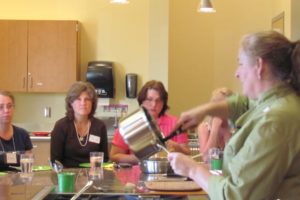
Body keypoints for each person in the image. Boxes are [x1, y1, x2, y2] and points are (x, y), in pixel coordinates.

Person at [167, 31, 300, 199]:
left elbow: (235, 195)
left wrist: (192, 169)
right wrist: (204, 111)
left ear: (259, 66)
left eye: (241, 63)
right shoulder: (276, 102)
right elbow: (241, 105)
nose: (237, 73)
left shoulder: (275, 120)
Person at [110, 80, 190, 164]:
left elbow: (187, 154)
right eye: (149, 99)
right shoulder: (129, 124)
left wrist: (176, 147)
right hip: (136, 175)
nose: (154, 104)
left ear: (164, 103)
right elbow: (114, 156)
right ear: (142, 101)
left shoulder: (176, 123)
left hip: (168, 173)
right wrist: (141, 159)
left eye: (158, 100)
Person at [51, 81, 108, 168]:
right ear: (71, 102)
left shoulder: (100, 126)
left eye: (87, 99)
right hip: (68, 176)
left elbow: (105, 160)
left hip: (94, 176)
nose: (83, 103)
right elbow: (55, 162)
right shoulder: (61, 126)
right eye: (78, 99)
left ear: (93, 103)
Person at [197, 87, 233, 162]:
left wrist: (226, 130)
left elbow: (232, 157)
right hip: (211, 170)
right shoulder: (204, 127)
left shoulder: (235, 126)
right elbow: (206, 159)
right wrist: (215, 128)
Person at [0, 91, 33, 171]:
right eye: (0, 107)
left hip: (19, 181)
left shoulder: (23, 134)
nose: (6, 110)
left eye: (9, 106)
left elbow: (28, 164)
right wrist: (19, 156)